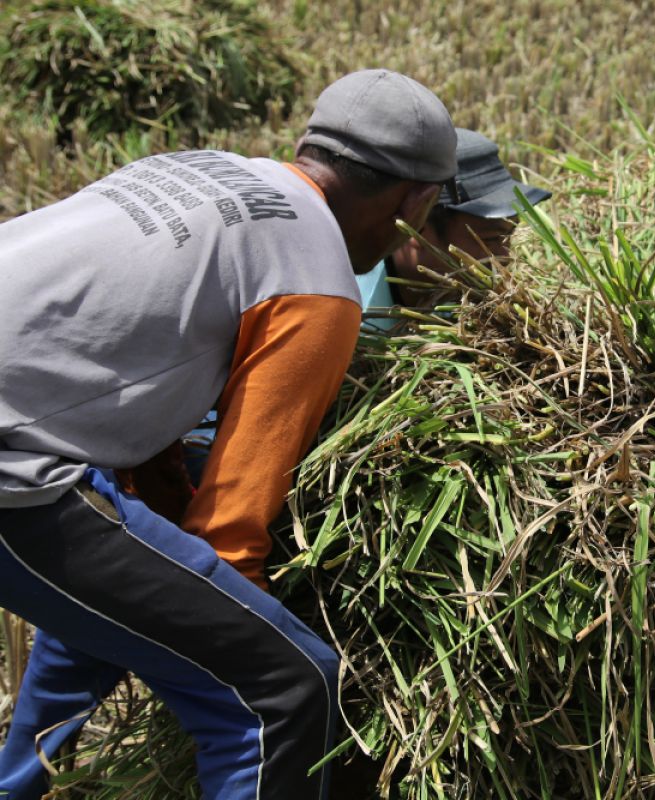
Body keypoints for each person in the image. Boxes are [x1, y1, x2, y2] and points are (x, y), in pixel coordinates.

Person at [0, 68, 456, 800]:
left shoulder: (193, 171)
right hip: (13, 464)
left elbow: (130, 399)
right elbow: (228, 538)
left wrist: (177, 555)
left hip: (29, 436)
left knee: (122, 574)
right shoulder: (317, 282)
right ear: (415, 201)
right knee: (283, 688)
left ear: (307, 149)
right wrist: (254, 626)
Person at [356, 127, 551, 320]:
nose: (506, 257)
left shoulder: (466, 300)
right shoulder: (355, 315)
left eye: (509, 236)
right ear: (416, 229)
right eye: (490, 240)